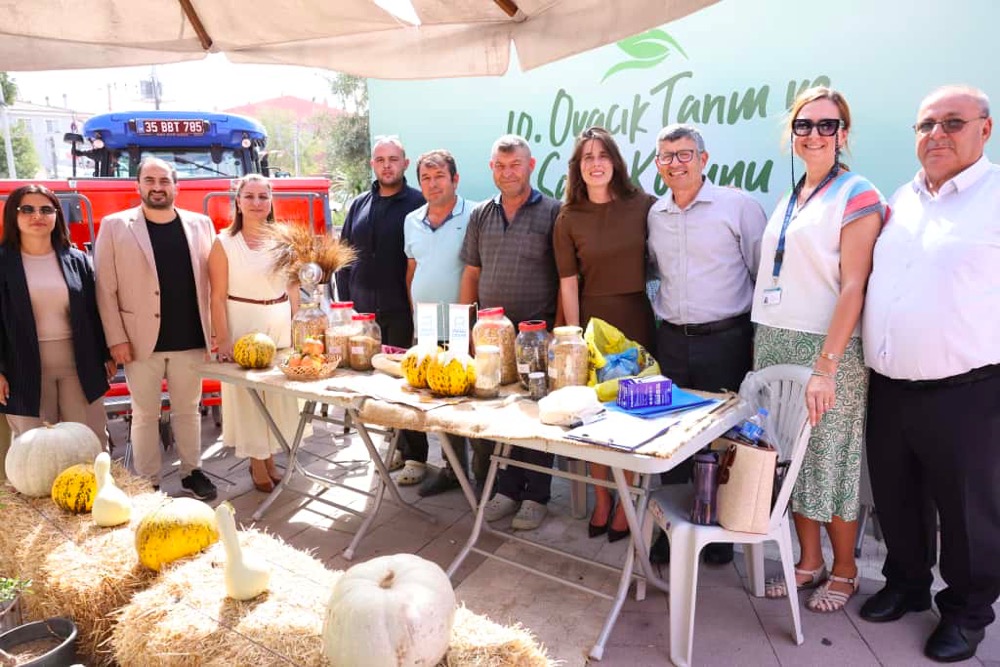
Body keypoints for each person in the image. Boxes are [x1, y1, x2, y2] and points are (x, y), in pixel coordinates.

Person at [861, 85, 998, 662]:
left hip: (967, 392)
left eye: (952, 122)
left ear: (984, 130)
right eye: (926, 125)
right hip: (891, 387)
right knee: (896, 497)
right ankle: (909, 584)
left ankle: (967, 613)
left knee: (968, 514)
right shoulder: (905, 196)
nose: (936, 134)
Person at [751, 87, 885, 612]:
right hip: (775, 339)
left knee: (831, 457)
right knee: (793, 458)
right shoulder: (791, 196)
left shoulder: (856, 192)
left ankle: (845, 569)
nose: (813, 134)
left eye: (826, 125)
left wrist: (826, 367)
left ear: (843, 134)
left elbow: (855, 285)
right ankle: (809, 561)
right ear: (792, 134)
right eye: (804, 125)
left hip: (827, 349)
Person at [646, 123, 767, 565]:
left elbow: (763, 274)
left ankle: (720, 533)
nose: (675, 163)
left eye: (684, 154)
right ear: (657, 165)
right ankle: (674, 531)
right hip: (672, 342)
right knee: (673, 437)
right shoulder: (655, 215)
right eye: (666, 156)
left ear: (703, 159)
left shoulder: (738, 207)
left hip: (726, 340)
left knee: (724, 440)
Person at [553, 126, 656, 542]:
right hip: (593, 326)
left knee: (633, 415)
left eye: (603, 155)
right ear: (578, 168)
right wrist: (575, 341)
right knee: (595, 420)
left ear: (615, 162)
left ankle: (627, 502)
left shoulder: (644, 206)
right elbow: (567, 283)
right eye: (587, 157)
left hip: (637, 322)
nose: (595, 163)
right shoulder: (568, 217)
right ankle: (601, 499)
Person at [95, 157, 218, 500]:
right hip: (138, 342)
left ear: (176, 186)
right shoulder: (115, 225)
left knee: (188, 410)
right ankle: (147, 481)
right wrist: (115, 339)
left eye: (164, 180)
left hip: (190, 337)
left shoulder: (201, 224)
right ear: (138, 185)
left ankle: (192, 471)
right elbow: (105, 288)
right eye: (150, 180)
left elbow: (212, 281)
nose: (157, 187)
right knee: (145, 413)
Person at [460, 134, 561, 531]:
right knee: (494, 412)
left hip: (537, 334)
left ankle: (536, 494)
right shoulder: (481, 214)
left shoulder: (554, 212)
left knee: (533, 416)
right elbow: (472, 272)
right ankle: (506, 488)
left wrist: (557, 331)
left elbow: (566, 276)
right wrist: (469, 326)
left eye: (515, 165)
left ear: (530, 165)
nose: (508, 172)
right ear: (491, 169)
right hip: (489, 335)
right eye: (500, 166)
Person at [336, 136, 430, 486]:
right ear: (373, 165)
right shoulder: (360, 204)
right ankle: (396, 448)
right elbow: (344, 256)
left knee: (407, 385)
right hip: (363, 316)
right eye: (380, 159)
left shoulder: (419, 204)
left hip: (401, 311)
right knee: (377, 388)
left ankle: (417, 456)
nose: (386, 165)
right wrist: (345, 308)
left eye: (393, 159)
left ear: (405, 164)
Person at [0, 185, 113, 447]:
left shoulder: (77, 260)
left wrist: (105, 353)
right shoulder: (3, 264)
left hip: (80, 364)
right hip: (22, 368)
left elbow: (92, 311)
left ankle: (95, 488)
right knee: (35, 448)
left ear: (56, 216)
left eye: (45, 209)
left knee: (90, 441)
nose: (36, 215)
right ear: (13, 216)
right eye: (27, 209)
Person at [209, 174, 300, 493]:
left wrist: (297, 326)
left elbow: (293, 286)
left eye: (263, 197)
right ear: (238, 201)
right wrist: (223, 340)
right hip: (242, 321)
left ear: (271, 201)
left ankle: (271, 457)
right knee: (248, 396)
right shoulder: (224, 243)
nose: (257, 203)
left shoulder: (284, 240)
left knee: (277, 393)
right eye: (250, 196)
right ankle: (256, 462)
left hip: (278, 320)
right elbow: (216, 296)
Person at [402, 149, 484, 498]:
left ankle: (483, 479)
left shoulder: (477, 214)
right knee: (440, 397)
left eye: (439, 177)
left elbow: (478, 270)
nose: (433, 184)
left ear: (455, 179)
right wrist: (415, 315)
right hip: (428, 322)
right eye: (426, 178)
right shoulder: (411, 220)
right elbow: (412, 269)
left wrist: (467, 325)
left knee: (473, 402)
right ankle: (454, 470)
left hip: (465, 319)